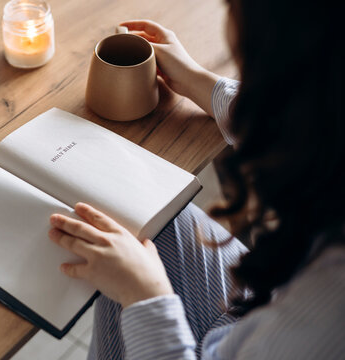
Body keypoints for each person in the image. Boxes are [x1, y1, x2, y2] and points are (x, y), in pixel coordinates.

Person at [48, 0, 345, 358]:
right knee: (142, 215)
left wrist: (145, 295)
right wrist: (195, 79)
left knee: (125, 256)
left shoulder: (332, 301)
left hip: (253, 336)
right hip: (258, 312)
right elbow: (310, 122)